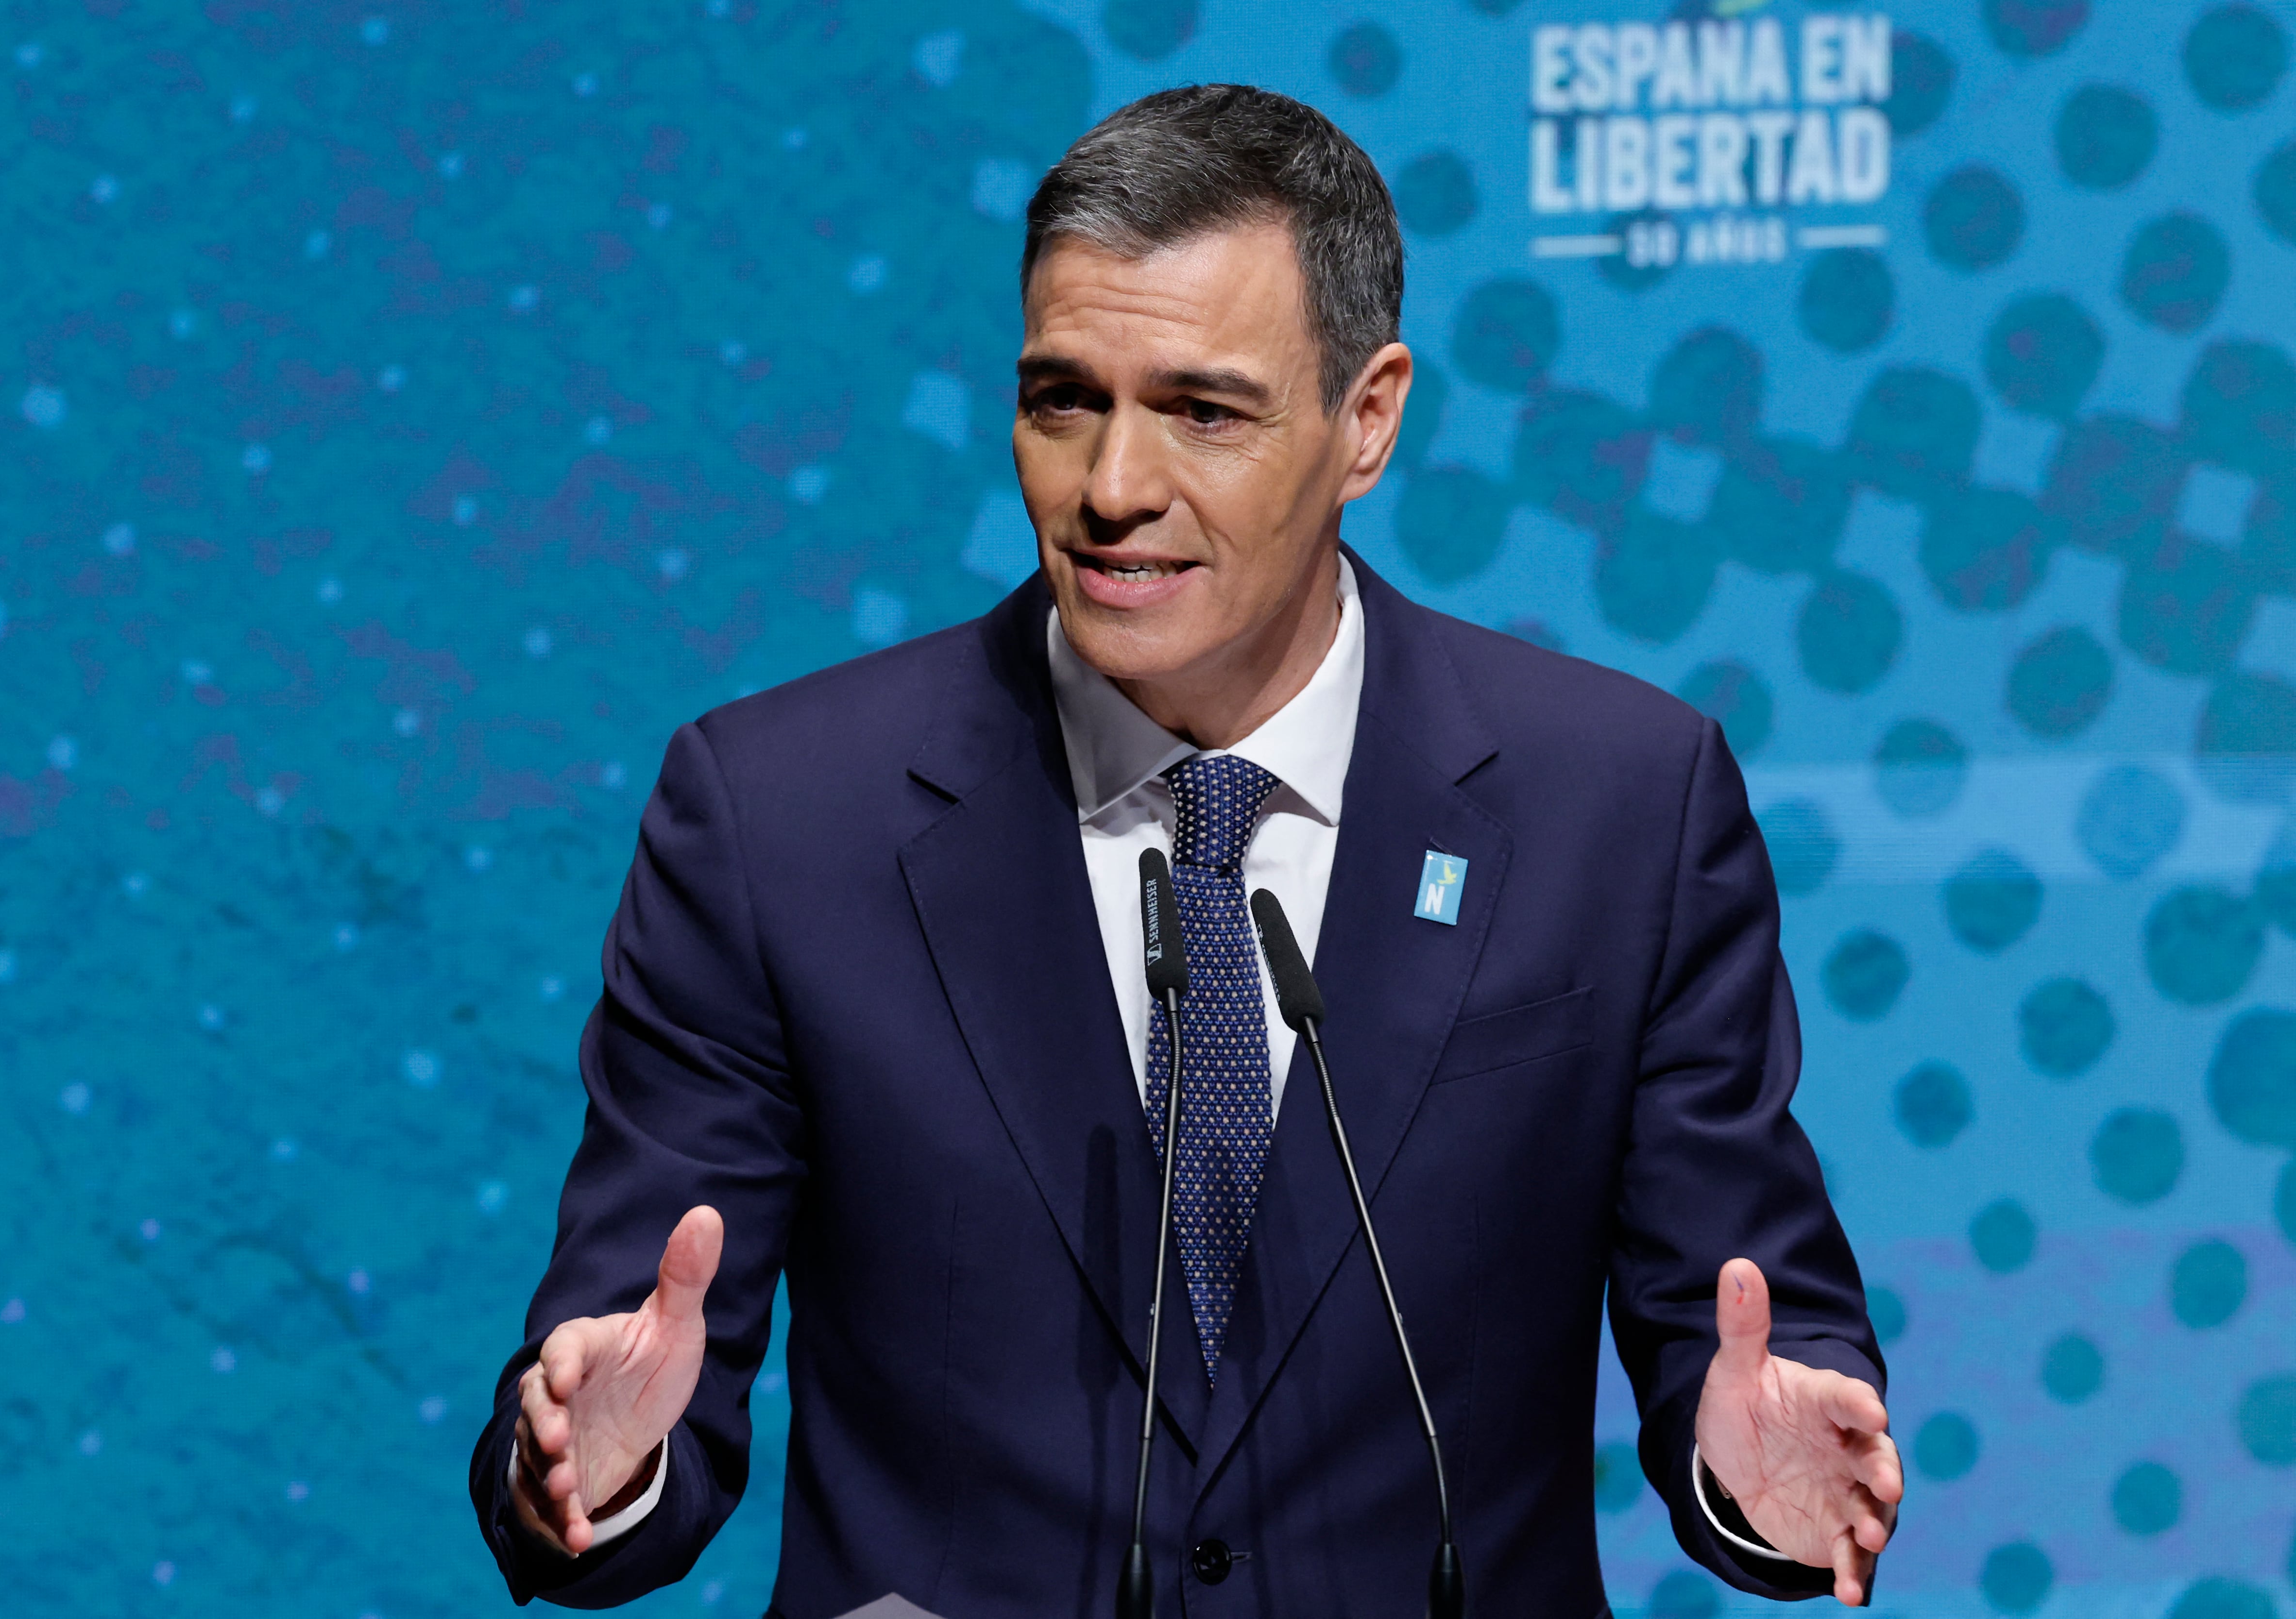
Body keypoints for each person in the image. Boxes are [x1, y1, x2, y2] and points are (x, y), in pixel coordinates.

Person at [470, 85, 1902, 1618]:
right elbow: (625, 1373)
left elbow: (1745, 1320)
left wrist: (1755, 1479)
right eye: (1062, 398)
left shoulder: (1619, 804)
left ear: (1368, 419)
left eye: (1204, 412)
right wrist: (599, 1458)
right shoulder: (777, 817)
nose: (1110, 489)